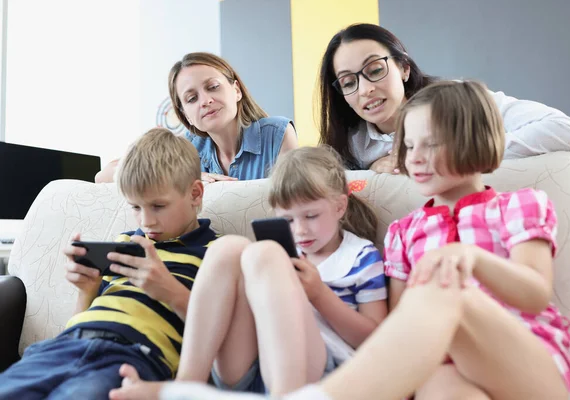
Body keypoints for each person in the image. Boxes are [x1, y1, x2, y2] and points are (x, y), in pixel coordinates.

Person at [109, 81, 570, 400]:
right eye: (408, 146)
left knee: (446, 295)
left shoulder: (520, 205)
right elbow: (396, 330)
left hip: (528, 366)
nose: (415, 158)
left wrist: (469, 258)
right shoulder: (405, 232)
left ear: (476, 138)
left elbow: (533, 294)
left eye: (429, 144)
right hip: (441, 368)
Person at [109, 146, 388, 400]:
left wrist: (318, 294)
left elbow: (375, 340)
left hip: (324, 373)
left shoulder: (360, 257)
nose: (300, 230)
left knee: (264, 253)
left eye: (311, 216)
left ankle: (285, 395)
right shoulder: (285, 250)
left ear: (340, 206)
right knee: (229, 247)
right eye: (287, 219)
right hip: (254, 368)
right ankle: (187, 385)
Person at [0, 128, 219, 399]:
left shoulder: (217, 252)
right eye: (136, 208)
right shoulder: (125, 242)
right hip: (65, 346)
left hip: (133, 356)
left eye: (158, 206)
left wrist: (169, 291)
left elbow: (222, 335)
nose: (146, 222)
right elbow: (81, 319)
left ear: (195, 194)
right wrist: (87, 289)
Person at [318, 23, 570, 172]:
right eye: (349, 82)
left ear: (404, 67)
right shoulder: (351, 145)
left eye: (375, 70)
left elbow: (567, 131)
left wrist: (453, 154)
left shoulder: (458, 100)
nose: (365, 89)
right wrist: (374, 168)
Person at [95, 52, 297, 184]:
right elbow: (102, 177)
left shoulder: (278, 133)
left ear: (236, 90)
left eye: (213, 87)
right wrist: (181, 177)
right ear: (186, 116)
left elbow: (294, 202)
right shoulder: (186, 148)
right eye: (192, 98)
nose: (205, 101)